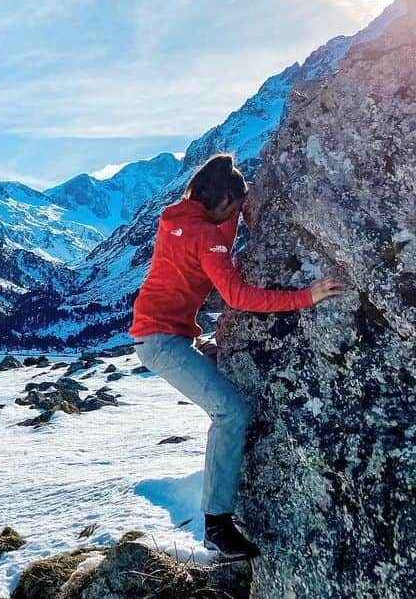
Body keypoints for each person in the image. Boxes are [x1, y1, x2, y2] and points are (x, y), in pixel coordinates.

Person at [130, 153, 345, 560]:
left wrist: (239, 206)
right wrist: (307, 296)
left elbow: (216, 230)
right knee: (230, 412)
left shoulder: (177, 216)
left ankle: (219, 509)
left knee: (230, 390)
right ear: (223, 200)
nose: (237, 213)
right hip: (162, 343)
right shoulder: (205, 235)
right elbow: (238, 296)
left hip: (165, 335)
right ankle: (217, 524)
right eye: (235, 205)